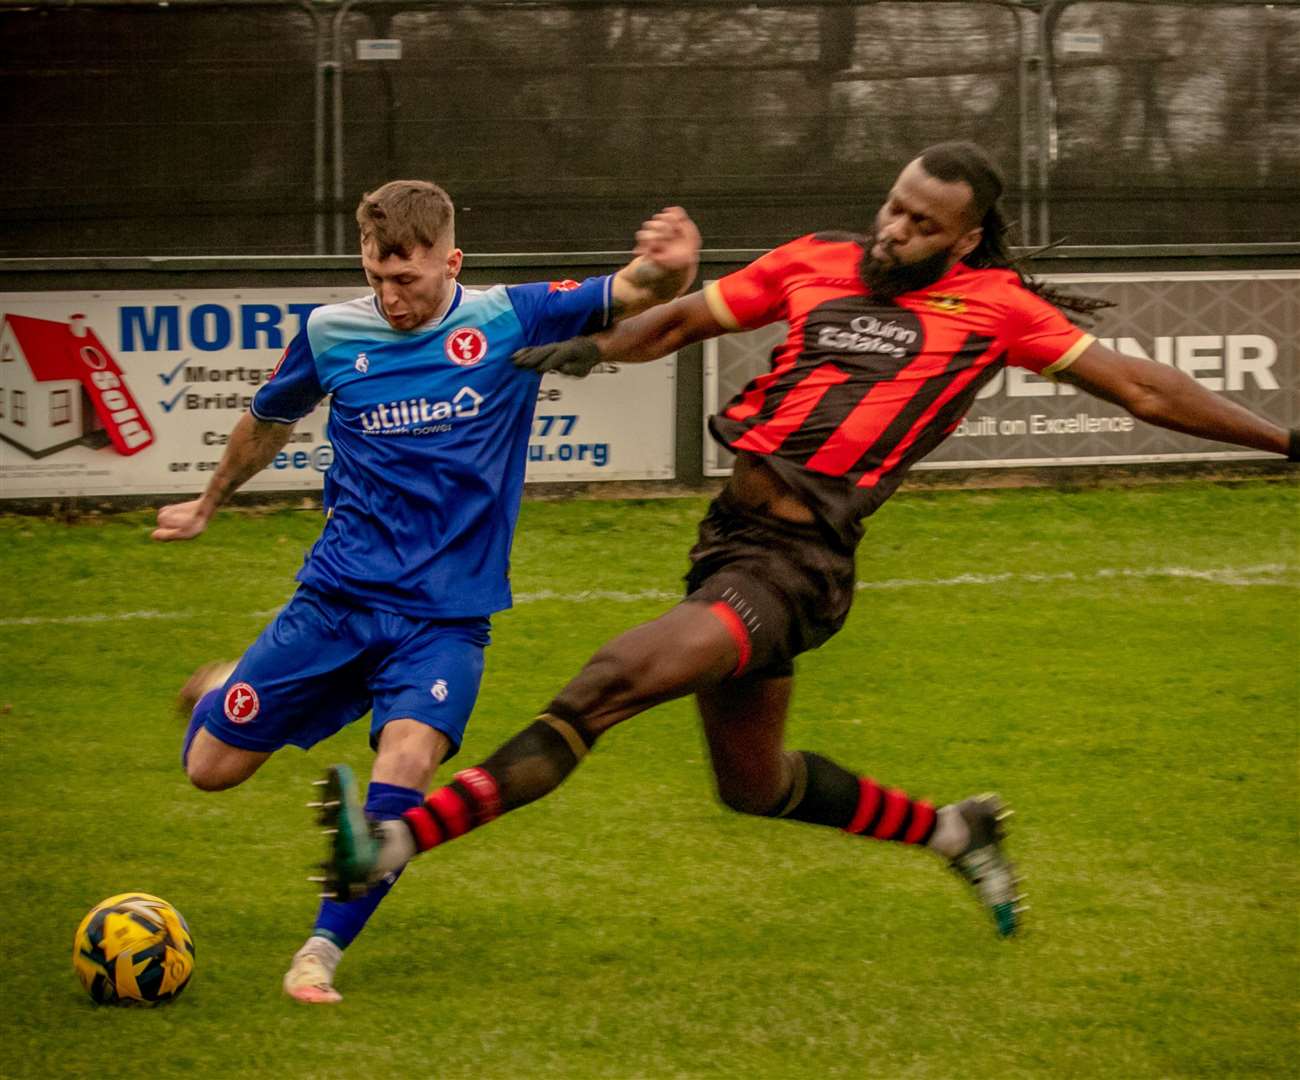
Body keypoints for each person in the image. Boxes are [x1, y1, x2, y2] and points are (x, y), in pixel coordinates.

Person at [320, 142, 1299, 942]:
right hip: (730, 543)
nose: (897, 229)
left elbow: (1141, 386)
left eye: (923, 224)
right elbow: (683, 320)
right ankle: (955, 829)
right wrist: (595, 346)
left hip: (799, 568)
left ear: (964, 240)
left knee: (606, 684)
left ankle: (392, 844)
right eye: (895, 207)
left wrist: (1282, 441)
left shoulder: (994, 310)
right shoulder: (812, 263)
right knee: (753, 784)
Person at [152, 180, 701, 1002]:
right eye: (376, 276)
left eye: (406, 279)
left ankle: (320, 954)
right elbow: (271, 417)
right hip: (334, 601)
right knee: (210, 770)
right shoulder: (331, 334)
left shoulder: (510, 317)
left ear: (452, 261)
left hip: (444, 619)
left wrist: (670, 265)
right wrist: (209, 498)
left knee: (406, 762)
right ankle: (227, 686)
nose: (390, 297)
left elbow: (636, 291)